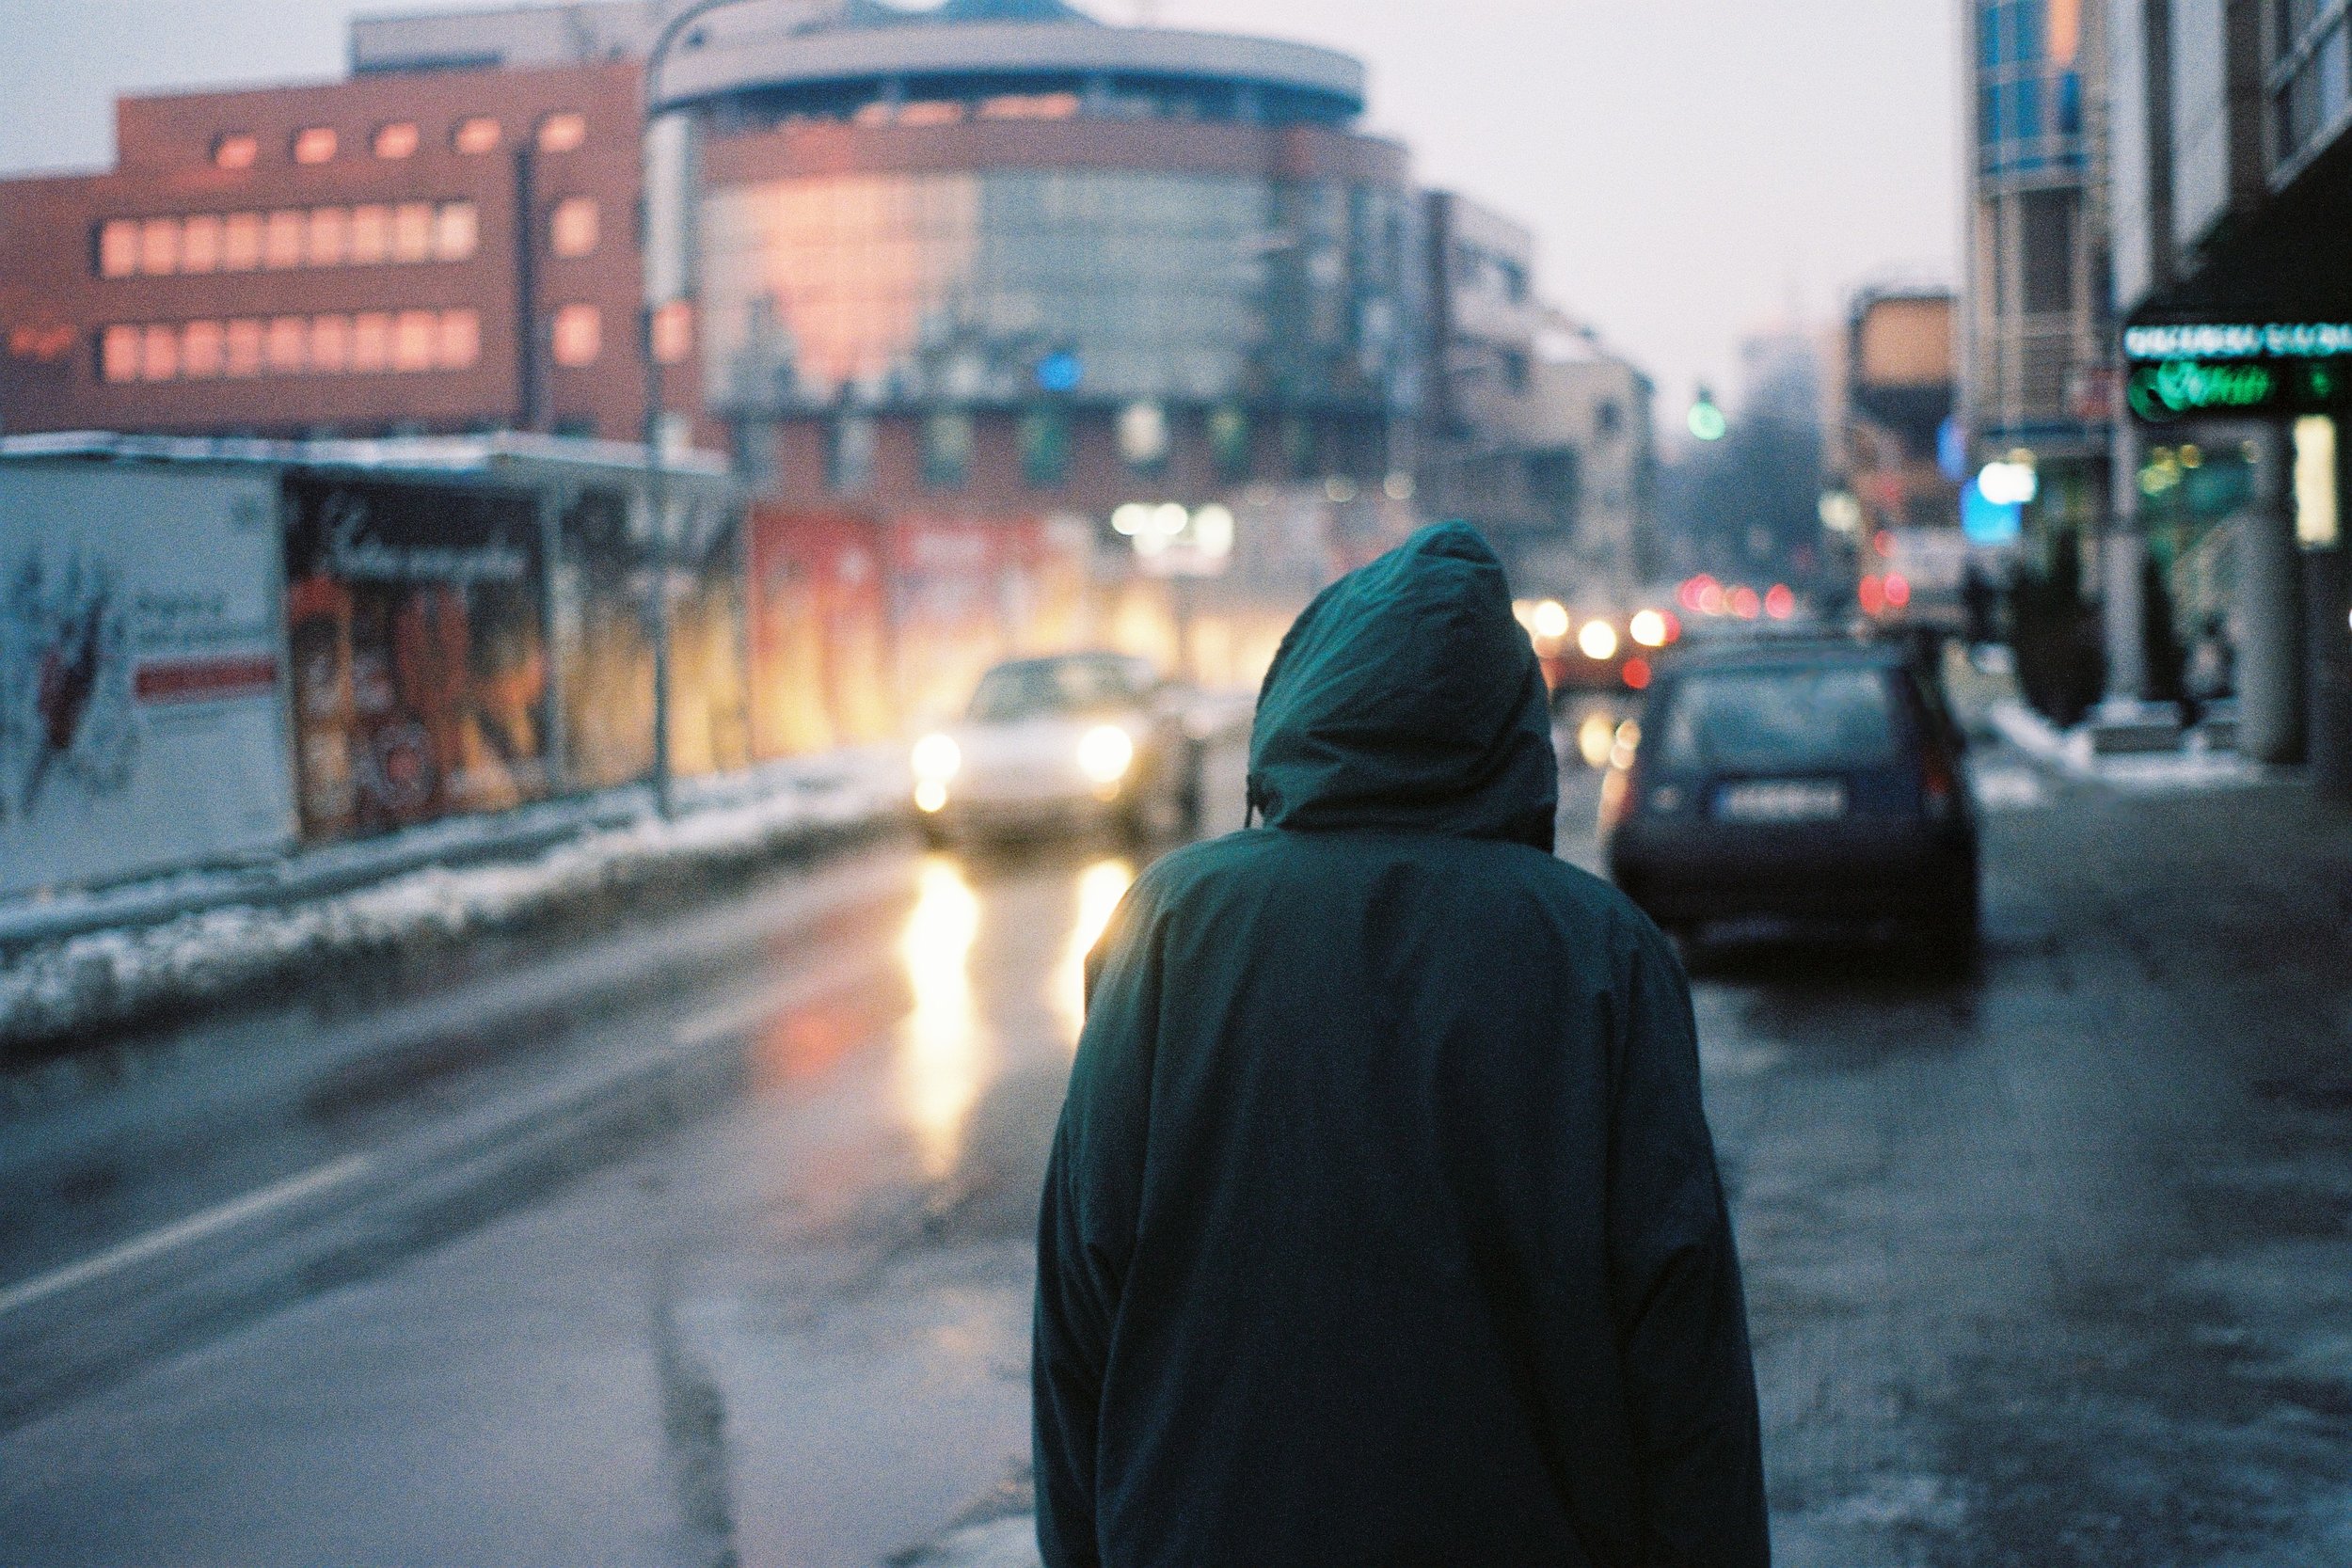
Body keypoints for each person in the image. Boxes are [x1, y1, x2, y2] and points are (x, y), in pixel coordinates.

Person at [1034, 523, 1768, 1568]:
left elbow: (1079, 1319)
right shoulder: (1599, 955)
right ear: (1512, 724)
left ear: (1303, 697)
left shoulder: (1171, 927)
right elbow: (1682, 1357)